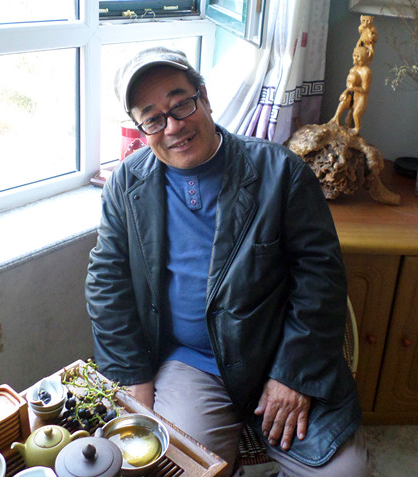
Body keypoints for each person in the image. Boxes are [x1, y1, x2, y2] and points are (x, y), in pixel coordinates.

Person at [85, 47, 371, 477]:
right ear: (141, 128)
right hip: (192, 365)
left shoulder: (281, 171)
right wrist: (134, 378)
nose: (173, 126)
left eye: (181, 104)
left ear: (204, 97)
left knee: (346, 474)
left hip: (277, 353)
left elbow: (321, 279)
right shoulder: (126, 184)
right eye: (153, 118)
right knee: (176, 468)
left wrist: (292, 375)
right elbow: (107, 282)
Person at [329, 45, 372, 135]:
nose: (355, 58)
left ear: (363, 57)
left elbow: (365, 89)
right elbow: (349, 86)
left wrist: (354, 88)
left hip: (361, 98)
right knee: (343, 102)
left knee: (356, 114)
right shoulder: (353, 69)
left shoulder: (366, 71)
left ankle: (357, 128)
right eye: (354, 55)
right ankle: (335, 119)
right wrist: (345, 92)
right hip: (352, 95)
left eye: (358, 56)